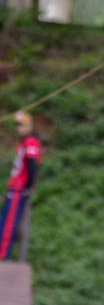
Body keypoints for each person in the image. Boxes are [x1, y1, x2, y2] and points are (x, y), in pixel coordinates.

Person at [0, 111, 43, 260]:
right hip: (14, 186)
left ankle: (2, 254)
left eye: (22, 125)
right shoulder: (23, 142)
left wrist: (29, 185)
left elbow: (32, 165)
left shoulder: (31, 141)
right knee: (4, 220)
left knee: (9, 223)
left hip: (19, 188)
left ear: (30, 126)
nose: (19, 128)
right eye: (17, 125)